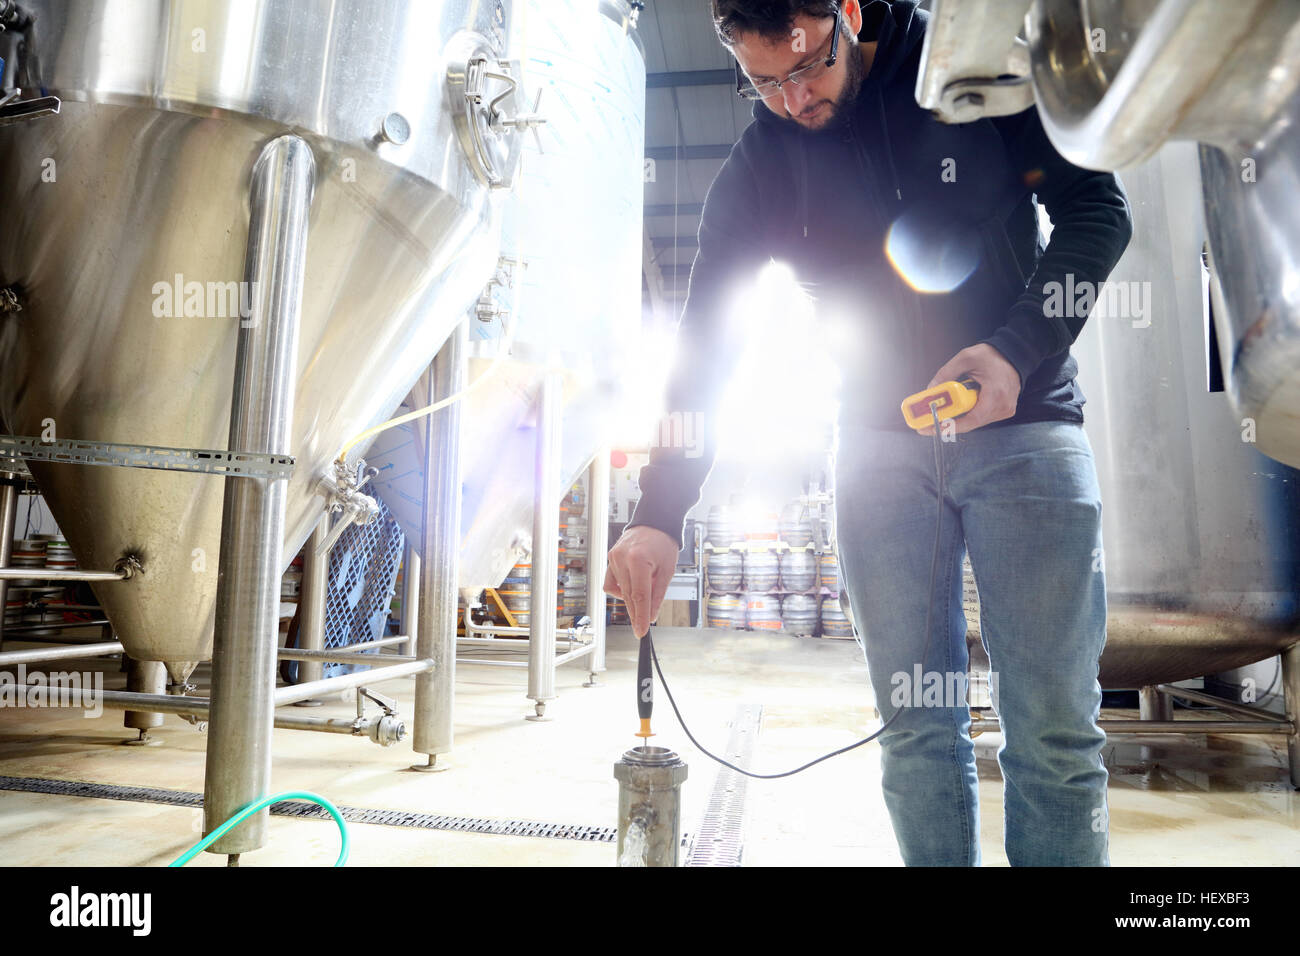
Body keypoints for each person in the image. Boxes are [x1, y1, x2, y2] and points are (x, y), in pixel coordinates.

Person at [604, 0, 1132, 866]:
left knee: (1053, 735)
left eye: (808, 67)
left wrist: (1016, 351)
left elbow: (1098, 209)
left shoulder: (972, 74)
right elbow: (707, 343)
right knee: (916, 730)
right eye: (763, 82)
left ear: (847, 13)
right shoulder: (762, 165)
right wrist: (661, 509)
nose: (793, 101)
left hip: (1026, 428)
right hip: (879, 454)